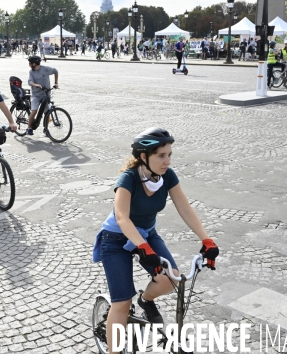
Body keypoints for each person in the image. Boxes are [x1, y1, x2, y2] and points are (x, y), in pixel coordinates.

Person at [92, 128, 218, 353]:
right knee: (121, 302)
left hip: (147, 235)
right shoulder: (128, 179)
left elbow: (185, 208)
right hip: (116, 239)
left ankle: (146, 300)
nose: (167, 161)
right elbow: (122, 217)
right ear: (143, 156)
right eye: (161, 155)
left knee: (172, 278)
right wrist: (142, 246)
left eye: (169, 154)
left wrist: (207, 240)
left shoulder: (167, 176)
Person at [27, 55, 58, 135]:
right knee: (34, 111)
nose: (29, 64)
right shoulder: (31, 72)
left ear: (35, 63)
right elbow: (30, 82)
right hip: (36, 95)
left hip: (46, 94)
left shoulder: (45, 69)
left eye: (30, 63)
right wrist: (36, 85)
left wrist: (56, 83)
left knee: (47, 112)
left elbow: (55, 71)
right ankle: (29, 128)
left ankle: (46, 129)